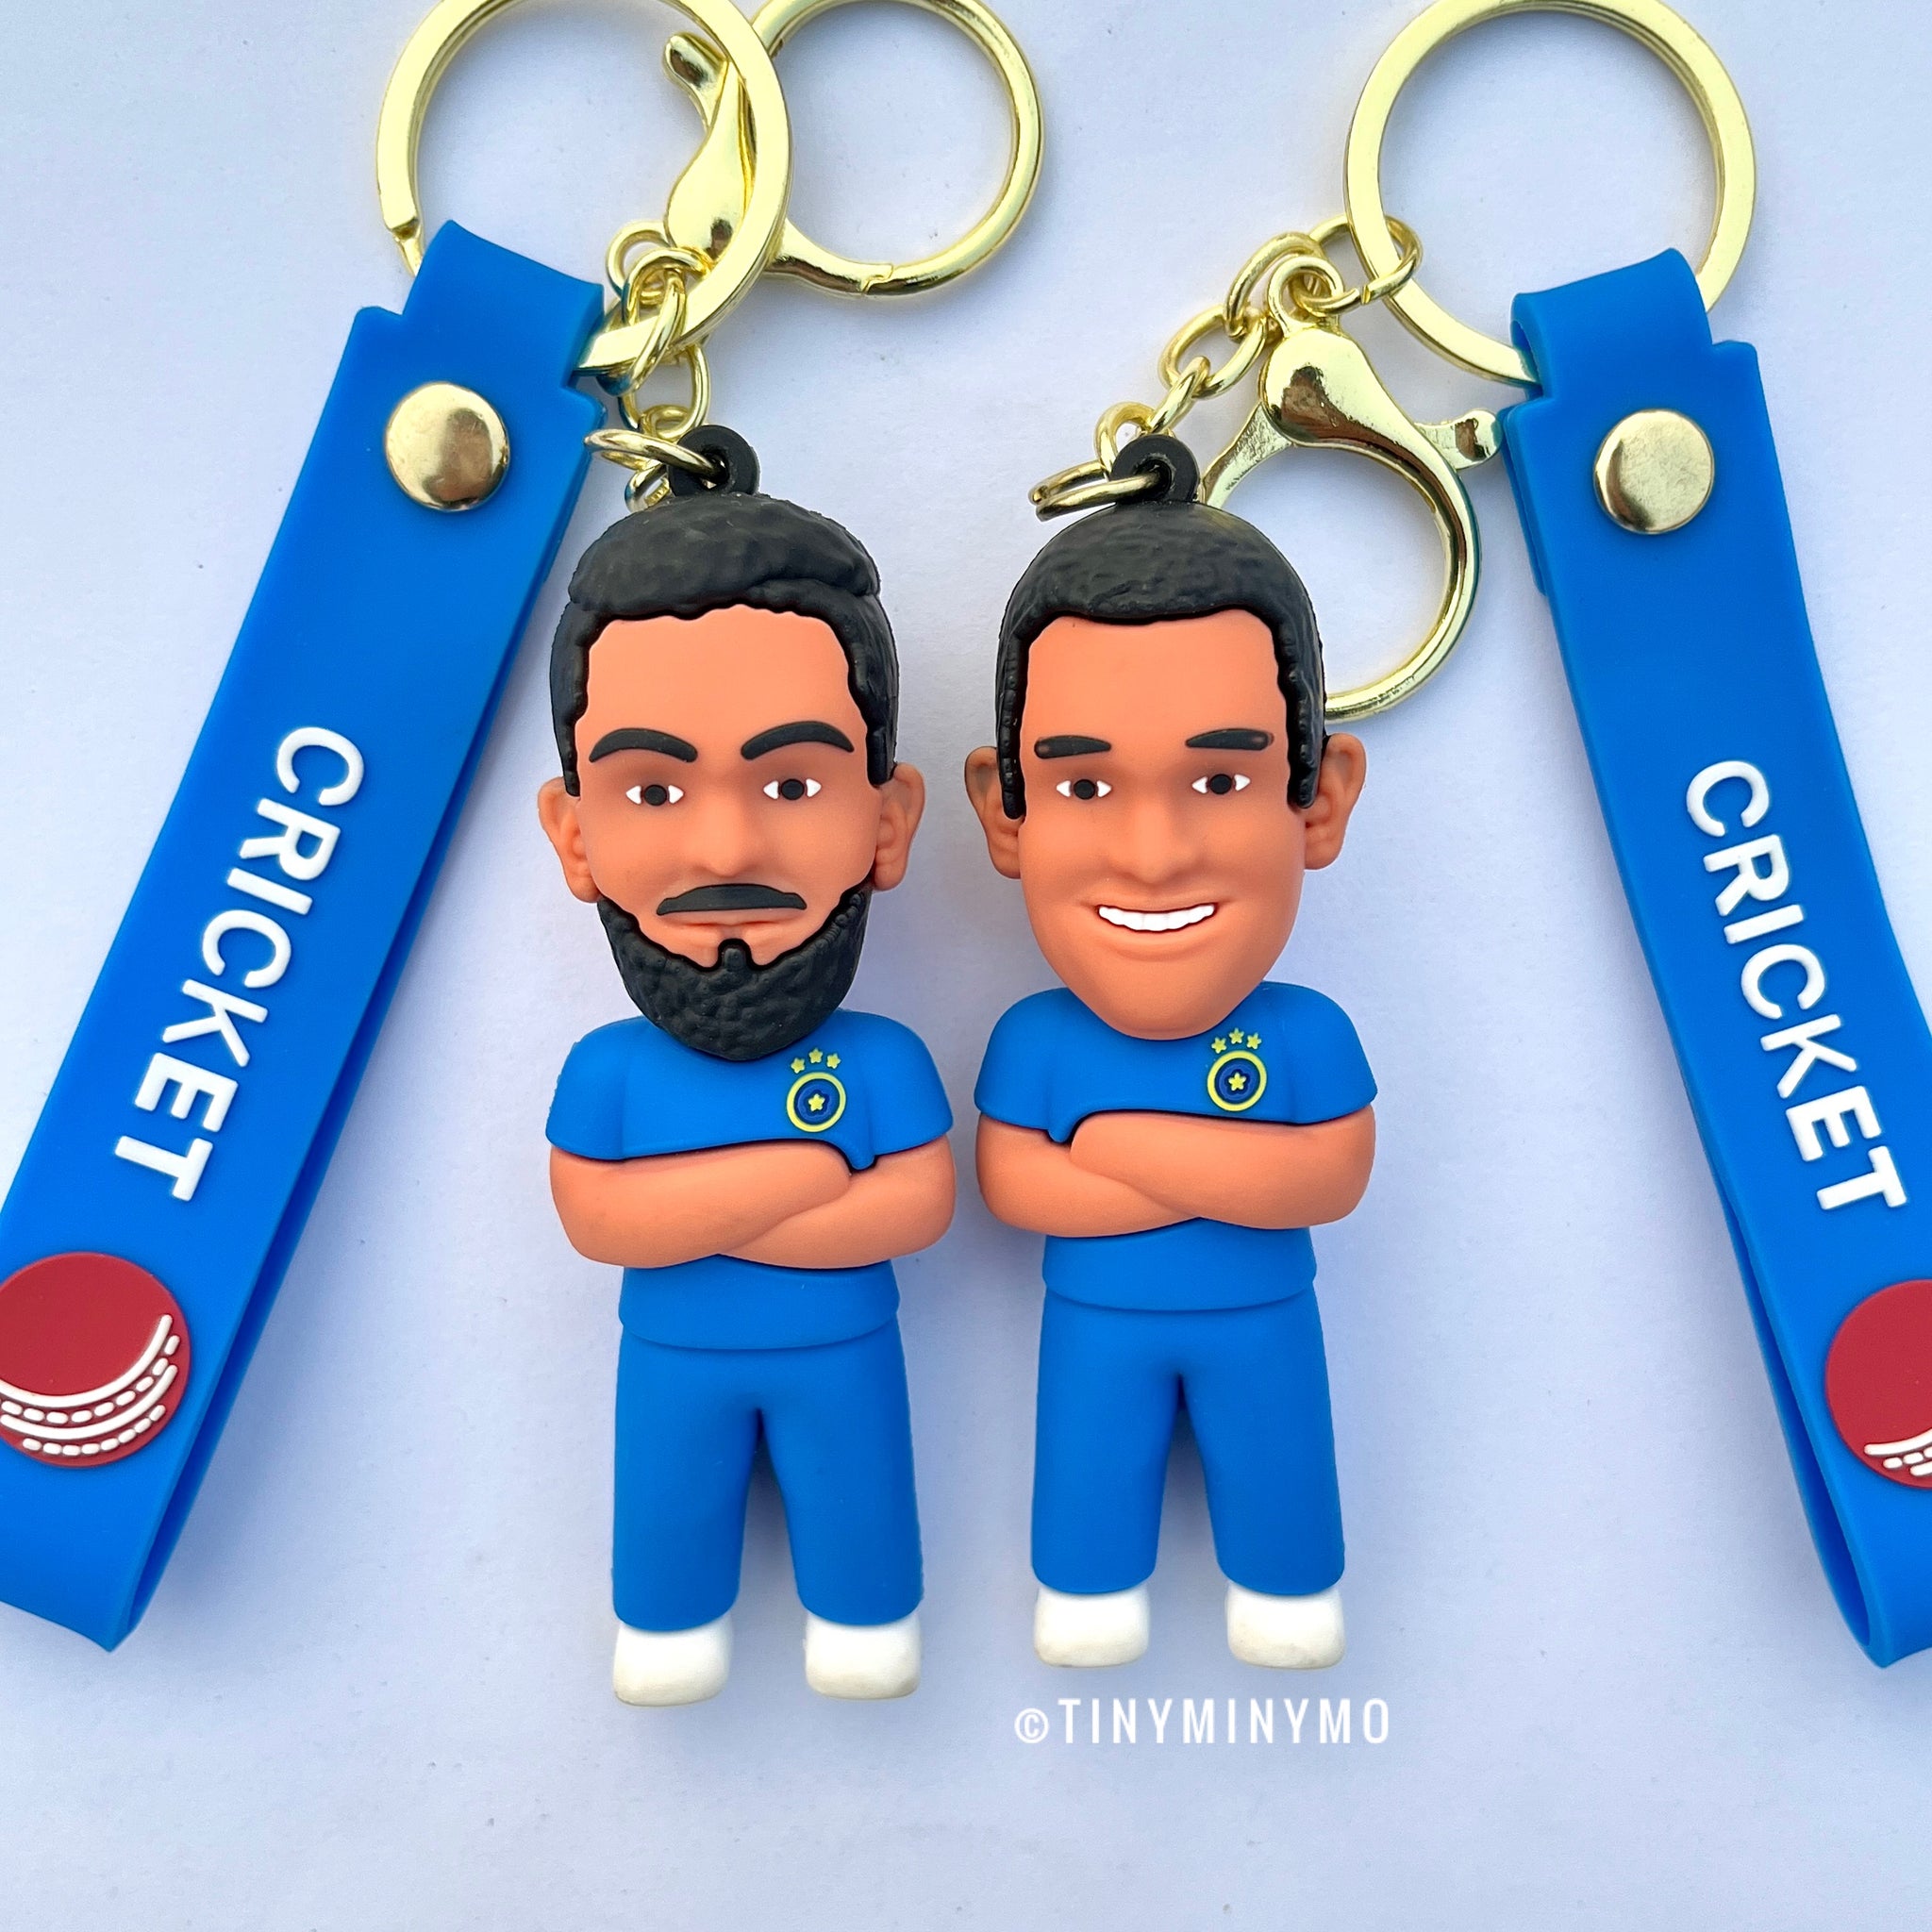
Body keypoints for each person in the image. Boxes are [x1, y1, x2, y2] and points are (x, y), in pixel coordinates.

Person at [538, 440, 955, 1705]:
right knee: (666, 1513)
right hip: (672, 1365)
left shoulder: (883, 1058)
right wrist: (801, 1174)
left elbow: (918, 1206)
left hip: (848, 1355)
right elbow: (597, 1221)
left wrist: (698, 1214)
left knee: (862, 1514)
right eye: (653, 791)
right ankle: (668, 1628)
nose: (726, 847)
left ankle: (867, 1621)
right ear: (573, 835)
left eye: (791, 780)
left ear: (887, 822)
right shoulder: (607, 1071)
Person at [965, 440, 1375, 1669]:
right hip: (1095, 1327)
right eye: (1085, 789)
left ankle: (1288, 1590)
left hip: (1266, 1322)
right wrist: (1223, 1174)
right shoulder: (1036, 1037)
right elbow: (1013, 1186)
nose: (1153, 857)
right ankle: (1088, 1592)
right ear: (1004, 812)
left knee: (1280, 1462)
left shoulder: (1306, 1033)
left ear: (1319, 799)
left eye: (1219, 778)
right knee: (1088, 1464)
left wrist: (1122, 1145)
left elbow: (1330, 1179)